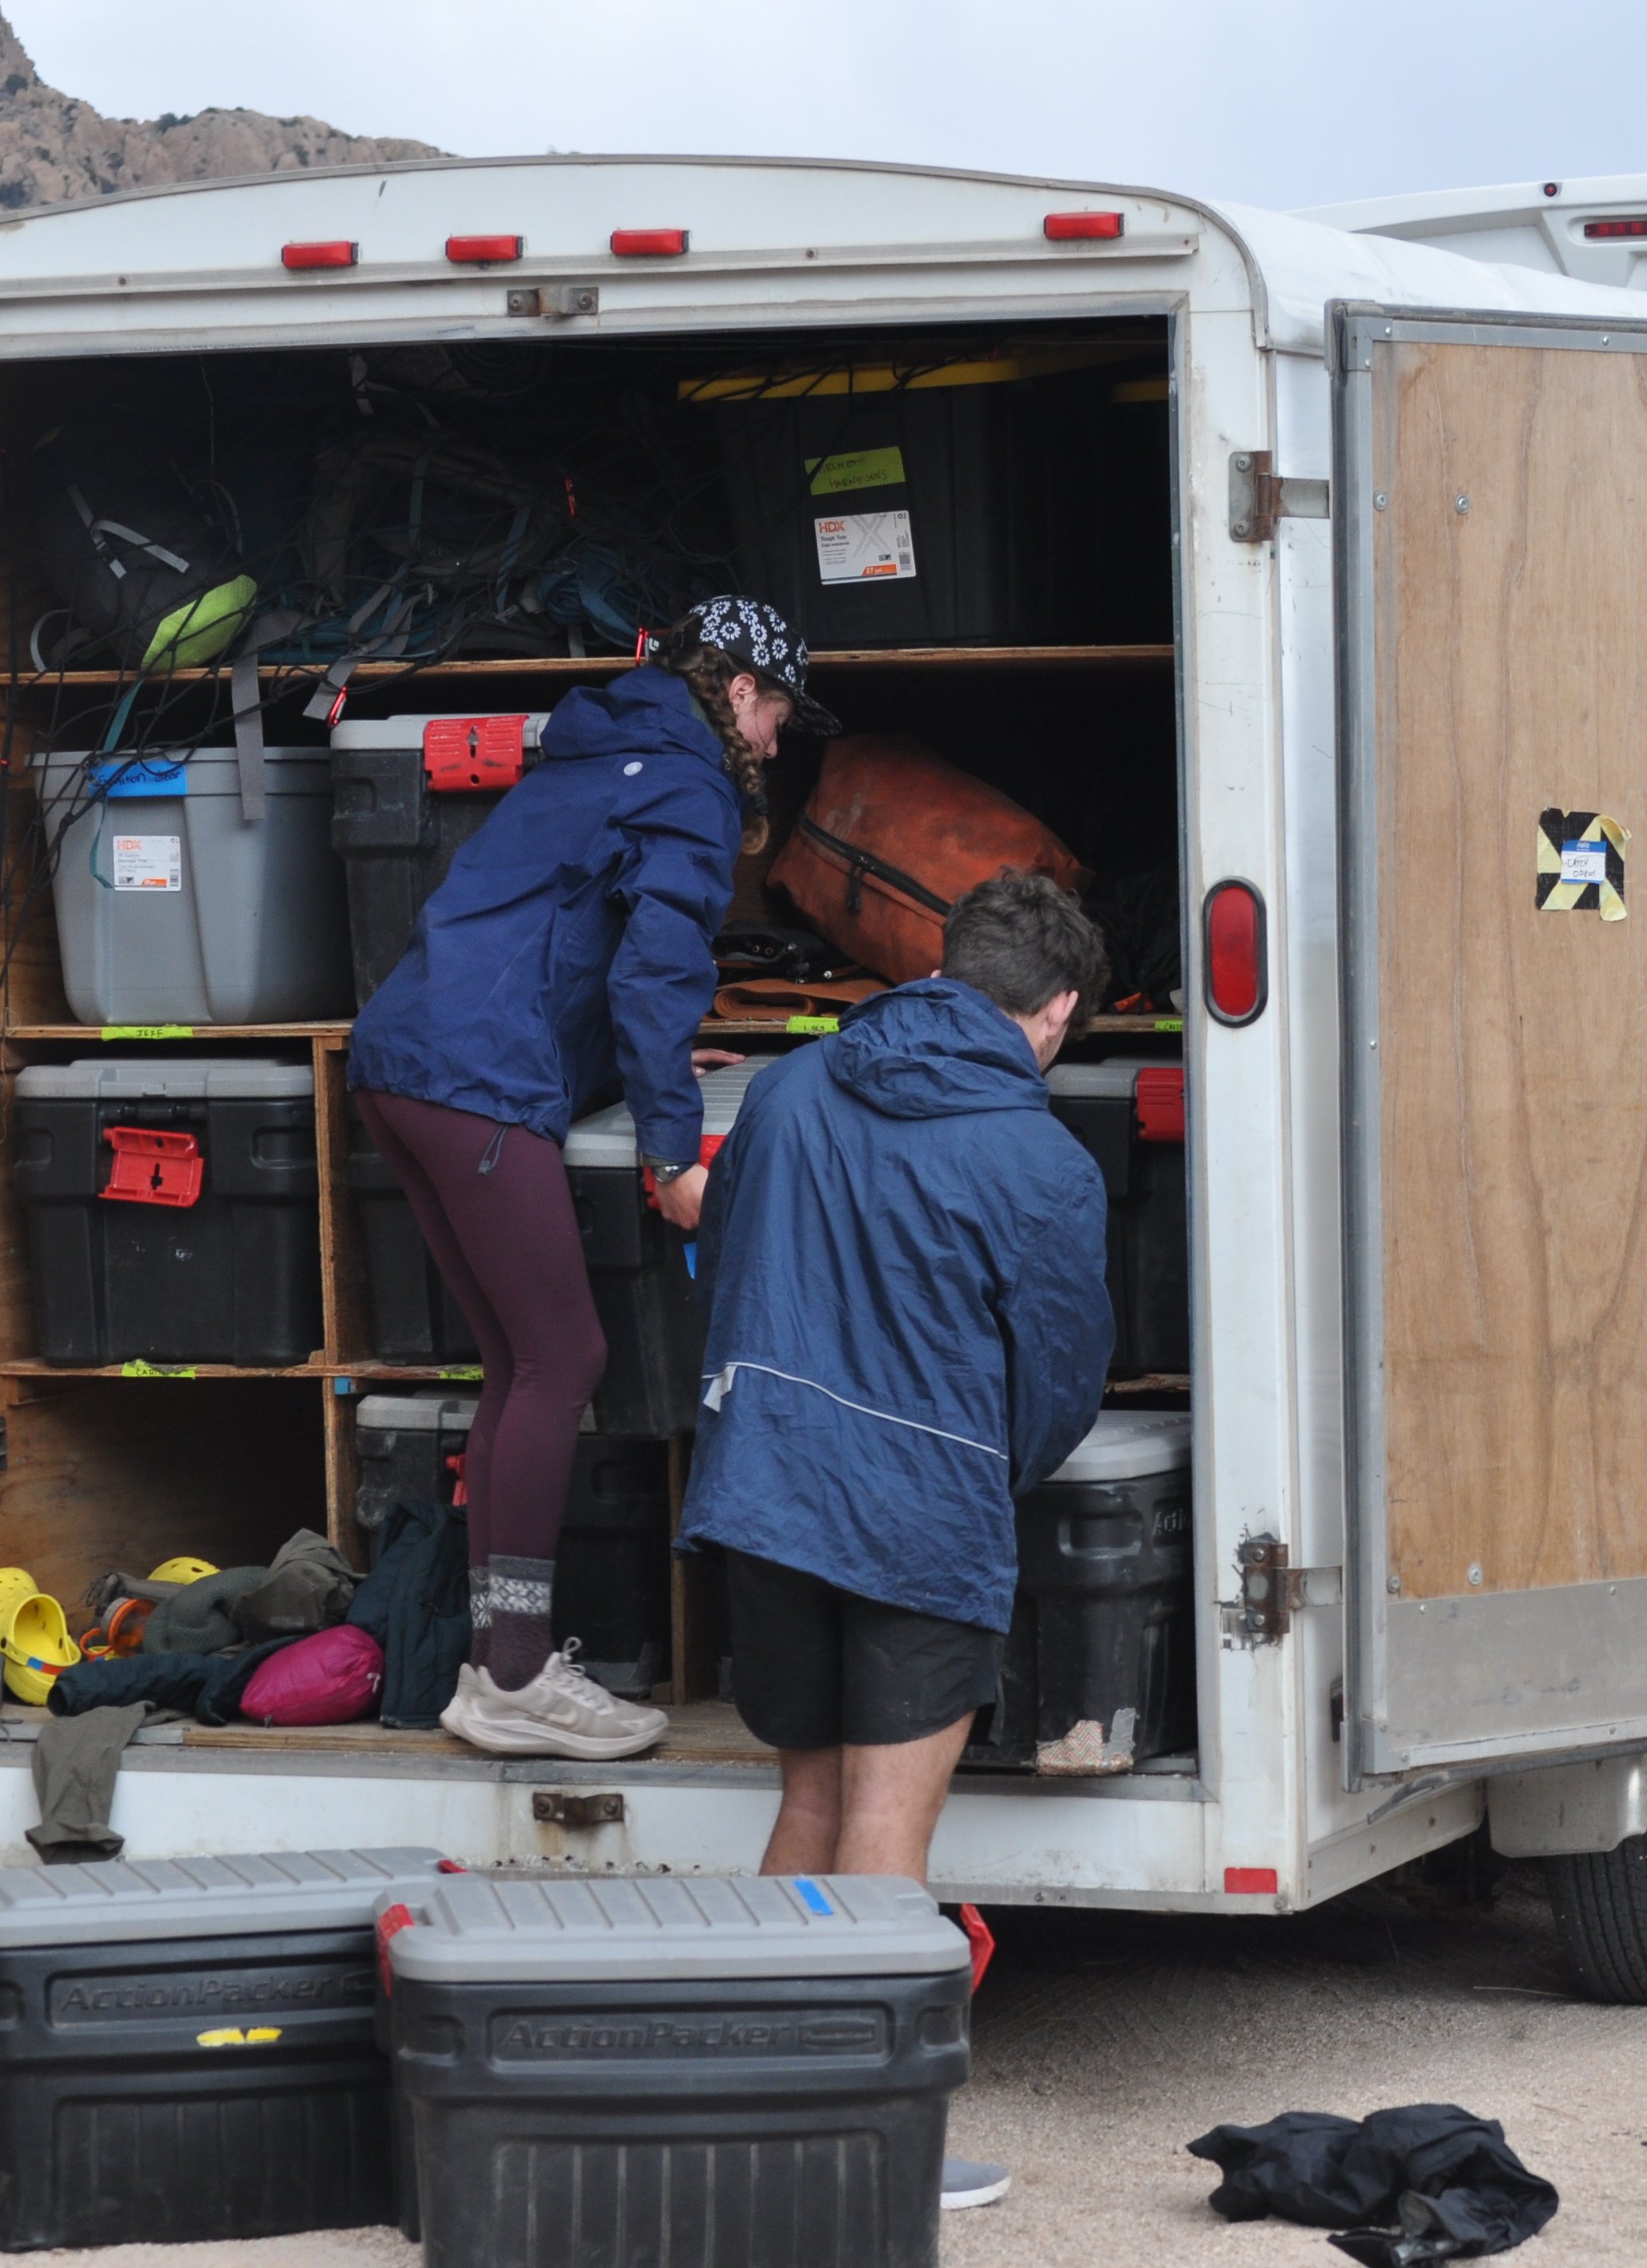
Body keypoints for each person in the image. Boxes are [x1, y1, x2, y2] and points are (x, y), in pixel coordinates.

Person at [678, 872, 1115, 2211]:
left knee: (808, 1801)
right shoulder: (1040, 1159)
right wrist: (988, 1473)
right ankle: (871, 2154)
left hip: (765, 1490)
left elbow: (734, 1256)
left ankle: (752, 2111)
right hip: (921, 1520)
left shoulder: (793, 1089)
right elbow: (1057, 1380)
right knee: (886, 1832)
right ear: (1051, 1016)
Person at [347, 594, 834, 1760]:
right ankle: (513, 1676)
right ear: (745, 696)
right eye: (779, 721)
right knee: (566, 1358)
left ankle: (495, 1670)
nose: (777, 747)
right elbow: (656, 968)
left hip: (406, 1064)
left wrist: (642, 1060)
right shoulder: (693, 782)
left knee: (520, 1361)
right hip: (478, 1078)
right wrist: (673, 1152)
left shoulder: (605, 745)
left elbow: (570, 937)